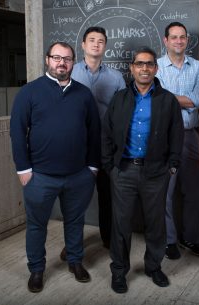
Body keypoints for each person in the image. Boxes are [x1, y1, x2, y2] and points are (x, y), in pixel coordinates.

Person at [10, 42, 101, 293]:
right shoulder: (29, 92)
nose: (62, 63)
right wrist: (24, 170)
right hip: (40, 176)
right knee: (37, 225)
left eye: (67, 59)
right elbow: (17, 132)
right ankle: (37, 270)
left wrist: (92, 167)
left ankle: (75, 261)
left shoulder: (83, 94)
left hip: (78, 175)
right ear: (47, 60)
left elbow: (95, 132)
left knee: (75, 221)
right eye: (57, 58)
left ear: (74, 62)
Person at [102, 46, 184, 293]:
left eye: (149, 64)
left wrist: (171, 166)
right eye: (139, 64)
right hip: (124, 171)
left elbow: (177, 135)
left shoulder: (168, 100)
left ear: (155, 68)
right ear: (132, 68)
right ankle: (119, 271)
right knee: (121, 224)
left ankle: (153, 267)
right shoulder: (120, 98)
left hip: (155, 173)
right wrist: (110, 166)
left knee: (155, 223)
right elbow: (106, 133)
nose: (144, 68)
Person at [58, 26, 125, 261]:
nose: (96, 44)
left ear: (105, 46)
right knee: (75, 197)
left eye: (101, 41)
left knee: (108, 195)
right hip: (77, 144)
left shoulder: (116, 77)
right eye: (92, 40)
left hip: (106, 145)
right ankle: (72, 243)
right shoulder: (70, 73)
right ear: (83, 45)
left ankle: (108, 238)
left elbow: (122, 112)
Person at [156, 22, 199, 260]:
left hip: (190, 136)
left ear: (187, 41)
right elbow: (155, 99)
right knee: (165, 192)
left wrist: (168, 98)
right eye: (174, 37)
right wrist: (180, 100)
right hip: (163, 138)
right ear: (165, 41)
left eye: (183, 37)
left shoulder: (198, 68)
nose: (179, 41)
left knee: (195, 190)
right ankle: (168, 241)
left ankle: (191, 238)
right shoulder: (154, 66)